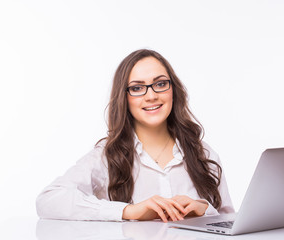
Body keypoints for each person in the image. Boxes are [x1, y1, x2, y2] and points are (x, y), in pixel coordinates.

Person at [36, 49, 234, 222]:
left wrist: (204, 209)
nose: (151, 95)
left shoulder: (203, 153)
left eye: (160, 84)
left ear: (173, 89)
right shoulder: (107, 156)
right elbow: (49, 199)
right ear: (124, 98)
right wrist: (129, 211)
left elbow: (230, 223)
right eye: (137, 88)